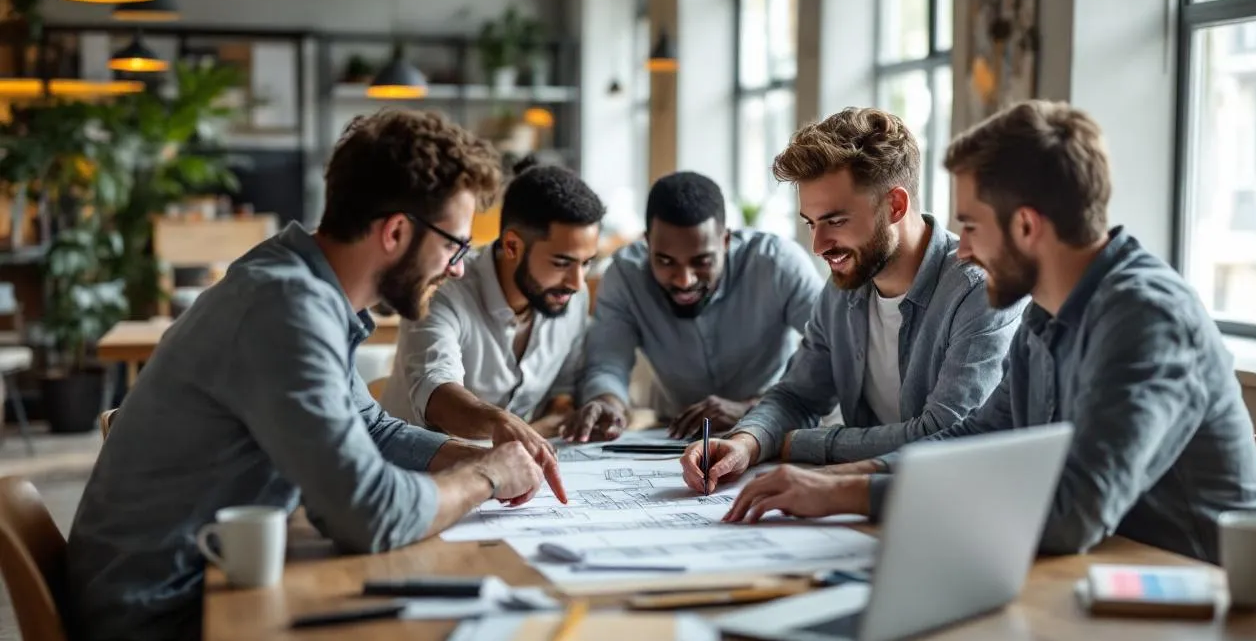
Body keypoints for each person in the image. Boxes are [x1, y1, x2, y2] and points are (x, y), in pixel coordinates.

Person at [64, 109, 554, 641]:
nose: (457, 268)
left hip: (203, 593)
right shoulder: (288, 310)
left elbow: (368, 427)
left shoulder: (298, 281)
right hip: (160, 633)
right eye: (455, 245)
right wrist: (487, 476)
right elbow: (368, 517)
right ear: (396, 232)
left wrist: (479, 454)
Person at [717, 100, 1256, 563]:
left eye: (972, 226)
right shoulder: (1045, 314)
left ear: (1026, 225)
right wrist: (839, 480)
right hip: (1094, 578)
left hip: (1192, 595)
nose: (962, 248)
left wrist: (854, 491)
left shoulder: (1145, 317)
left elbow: (1071, 513)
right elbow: (974, 439)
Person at [680, 107, 1022, 486]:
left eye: (836, 221)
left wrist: (798, 444)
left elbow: (944, 434)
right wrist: (748, 442)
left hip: (952, 504)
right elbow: (798, 396)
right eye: (812, 223)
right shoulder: (844, 286)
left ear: (895, 205)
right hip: (862, 505)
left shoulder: (978, 290)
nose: (818, 246)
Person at [380, 159, 605, 489]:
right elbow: (437, 393)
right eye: (562, 263)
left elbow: (563, 390)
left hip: (508, 481)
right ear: (512, 245)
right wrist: (501, 422)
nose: (576, 281)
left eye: (587, 263)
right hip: (416, 479)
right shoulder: (443, 286)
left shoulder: (571, 295)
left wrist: (566, 412)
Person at [564, 170, 823, 442]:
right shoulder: (625, 276)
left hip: (774, 426)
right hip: (677, 434)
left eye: (702, 261)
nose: (684, 280)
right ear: (647, 242)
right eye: (665, 261)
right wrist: (609, 403)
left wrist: (753, 408)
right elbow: (607, 363)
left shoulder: (778, 264)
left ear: (725, 241)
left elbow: (829, 352)